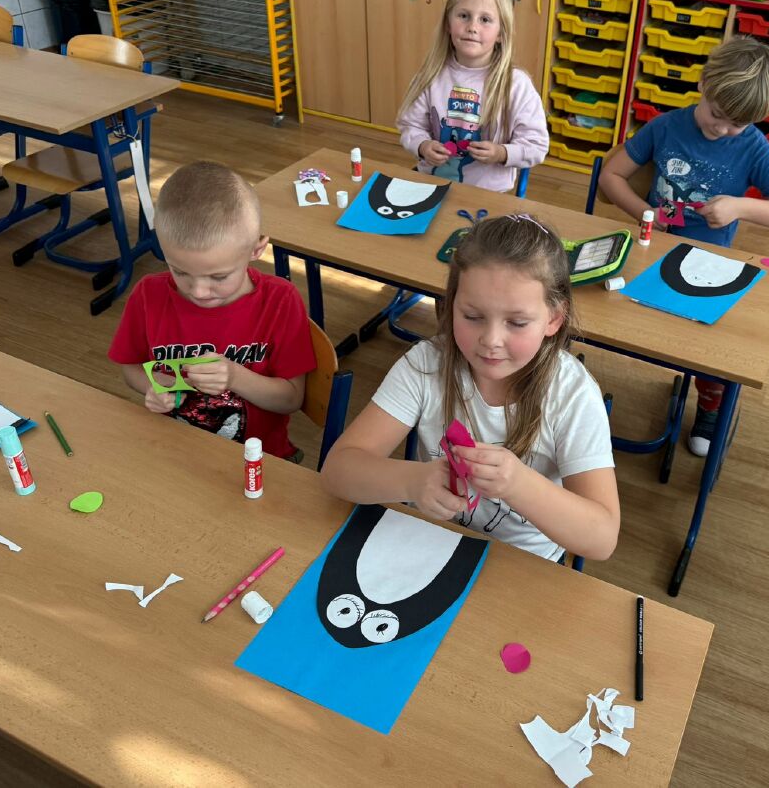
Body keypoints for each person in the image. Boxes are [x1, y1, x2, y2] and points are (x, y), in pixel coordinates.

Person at [320, 213, 619, 562]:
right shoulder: (426, 365)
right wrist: (413, 480)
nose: (491, 340)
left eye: (517, 322)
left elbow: (601, 539)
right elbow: (337, 472)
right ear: (450, 307)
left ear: (554, 318)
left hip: (521, 563)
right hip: (429, 544)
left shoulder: (571, 394)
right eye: (473, 317)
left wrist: (518, 484)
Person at [598, 36, 769, 456]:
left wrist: (739, 207)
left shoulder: (752, 146)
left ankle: (711, 407)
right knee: (604, 310)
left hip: (706, 265)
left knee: (712, 345)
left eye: (737, 124)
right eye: (717, 114)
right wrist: (646, 212)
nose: (723, 129)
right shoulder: (666, 126)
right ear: (703, 85)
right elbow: (611, 177)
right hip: (650, 249)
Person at [108, 161, 316, 462]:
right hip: (174, 451)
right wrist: (156, 387)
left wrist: (234, 377)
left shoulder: (280, 300)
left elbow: (291, 399)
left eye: (219, 277)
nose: (199, 291)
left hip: (259, 460)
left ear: (257, 250)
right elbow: (131, 368)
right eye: (180, 272)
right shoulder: (148, 295)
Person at [396, 0, 549, 192]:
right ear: (448, 24)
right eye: (464, 16)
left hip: (488, 193)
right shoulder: (430, 75)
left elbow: (537, 145)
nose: (472, 27)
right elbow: (410, 126)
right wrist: (423, 145)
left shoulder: (516, 84)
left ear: (501, 33)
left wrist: (501, 153)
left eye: (485, 20)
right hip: (431, 184)